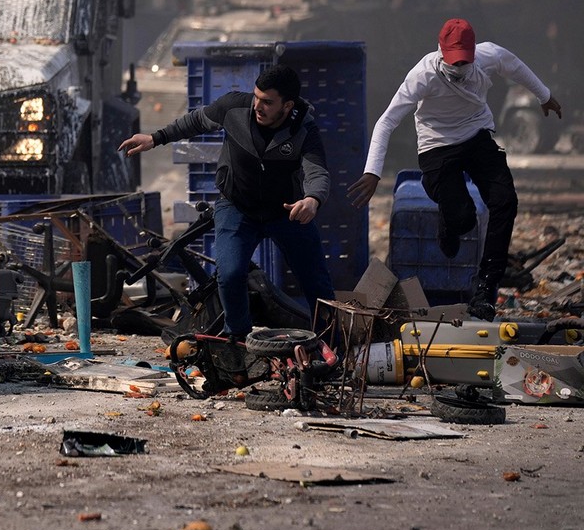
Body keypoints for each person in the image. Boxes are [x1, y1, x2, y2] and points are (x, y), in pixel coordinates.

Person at [347, 18, 562, 321]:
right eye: (453, 62)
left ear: (474, 53)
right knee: (463, 218)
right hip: (437, 147)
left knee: (505, 202)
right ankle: (450, 220)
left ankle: (486, 291)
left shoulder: (489, 56)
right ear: (440, 51)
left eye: (464, 62)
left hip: (476, 136)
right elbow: (387, 121)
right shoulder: (422, 75)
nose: (458, 69)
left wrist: (544, 95)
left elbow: (514, 65)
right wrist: (373, 171)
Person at [119, 64, 335, 340]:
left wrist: (312, 200)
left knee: (317, 282)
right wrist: (155, 138)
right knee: (230, 275)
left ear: (287, 105)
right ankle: (237, 342)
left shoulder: (304, 129)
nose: (259, 106)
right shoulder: (234, 108)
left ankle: (331, 346)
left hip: (286, 212)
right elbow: (196, 121)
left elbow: (317, 171)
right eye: (257, 97)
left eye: (268, 102)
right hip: (237, 207)